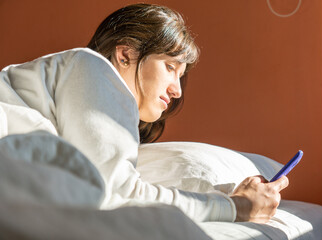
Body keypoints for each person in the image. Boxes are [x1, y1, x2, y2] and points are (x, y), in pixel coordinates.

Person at [0, 3, 288, 223]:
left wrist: (228, 193)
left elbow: (128, 185)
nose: (177, 91)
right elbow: (114, 193)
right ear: (125, 55)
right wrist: (235, 208)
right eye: (170, 67)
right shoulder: (90, 65)